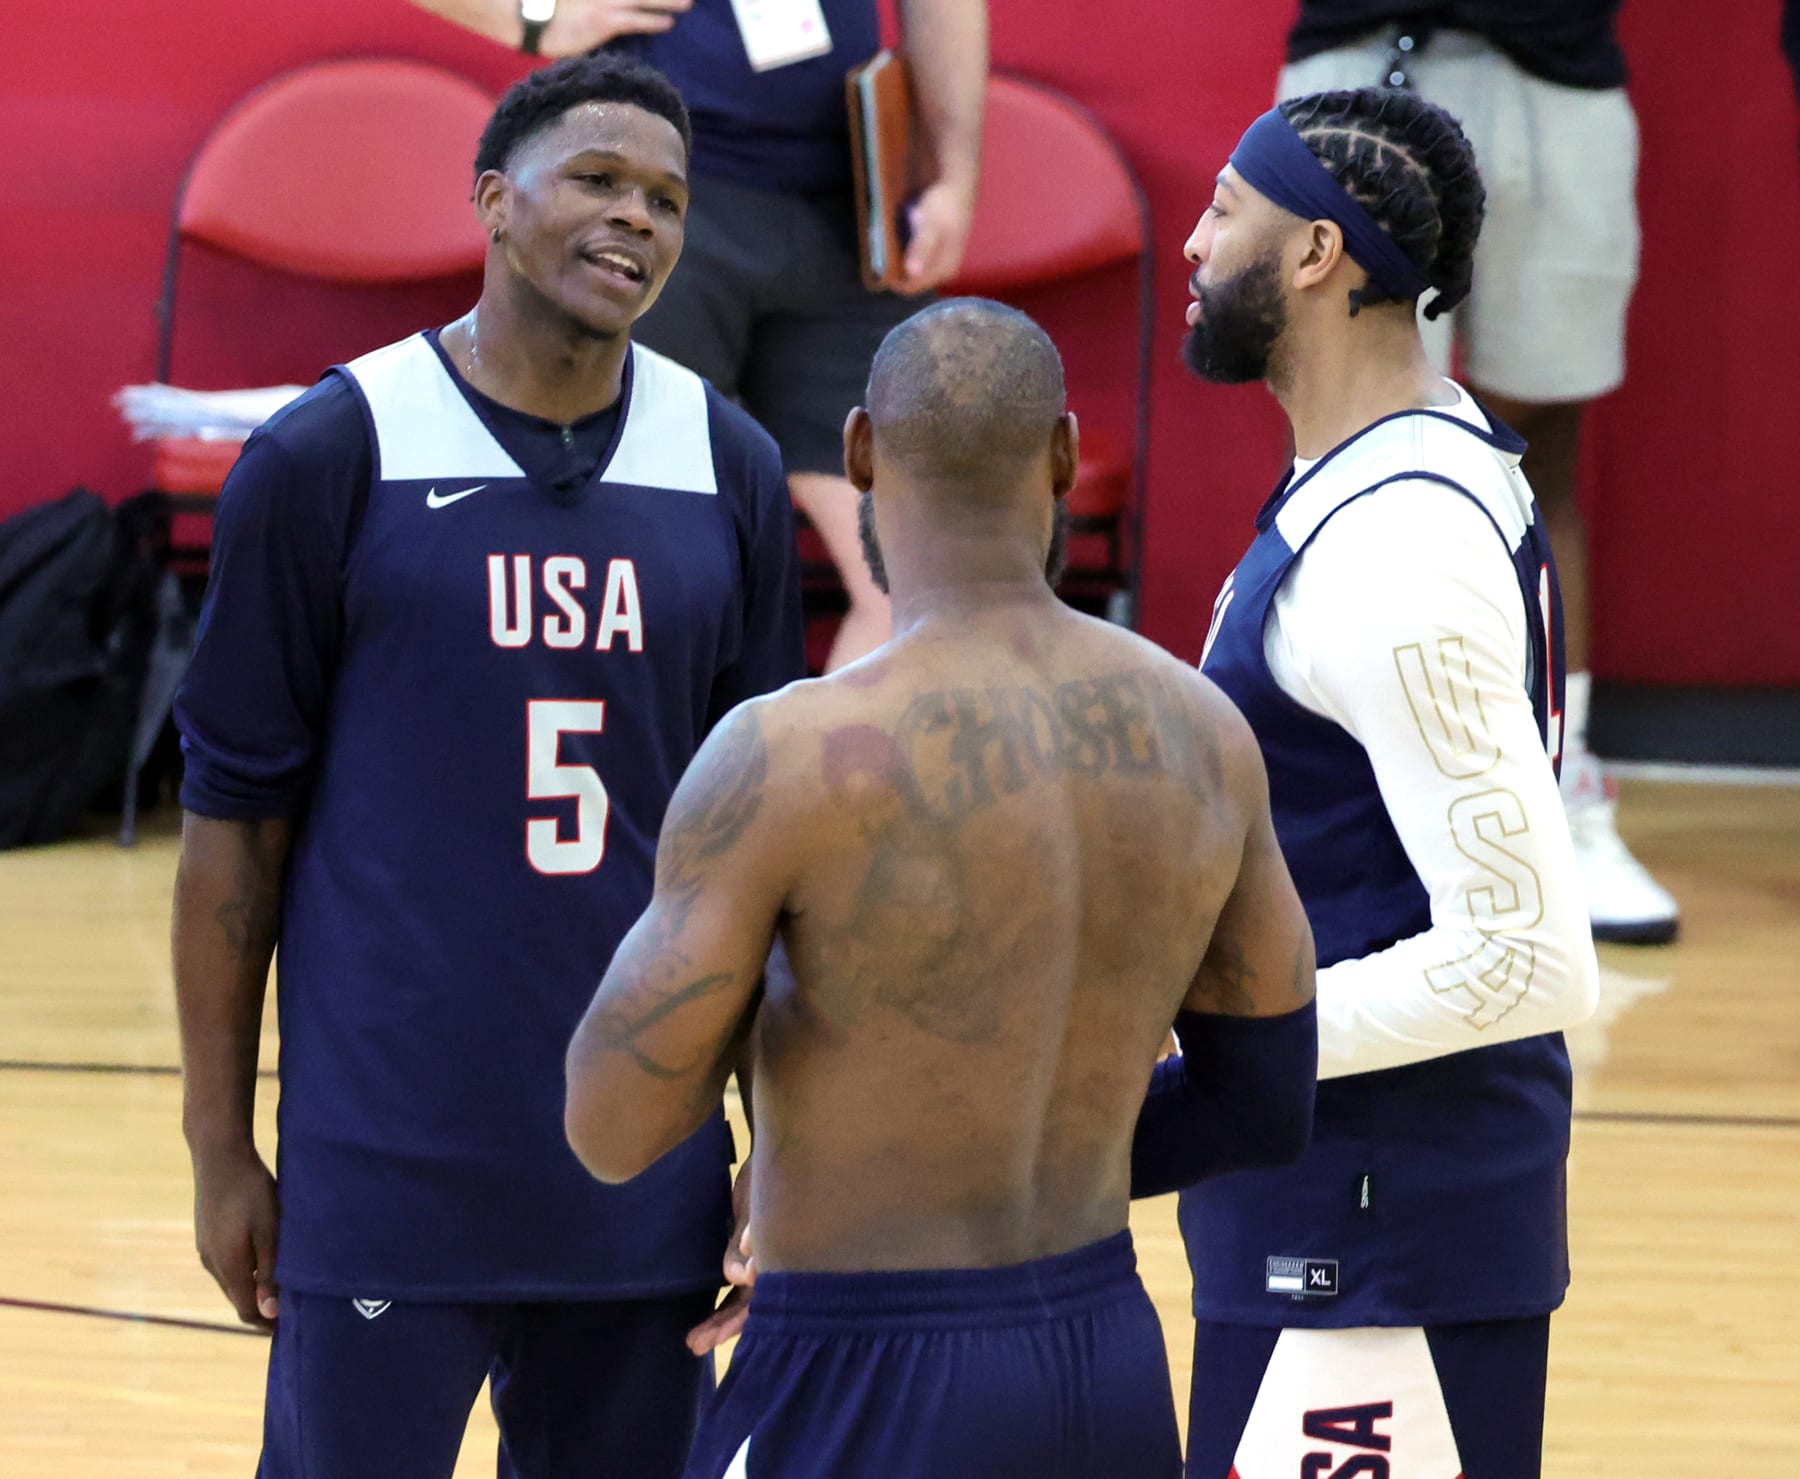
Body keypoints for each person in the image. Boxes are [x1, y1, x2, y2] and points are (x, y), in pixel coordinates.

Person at [170, 52, 804, 1479]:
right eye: (595, 179)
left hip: (644, 1176)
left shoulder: (731, 463)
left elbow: (766, 848)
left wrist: (785, 1139)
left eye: (666, 197)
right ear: (492, 203)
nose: (634, 217)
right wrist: (220, 1144)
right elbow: (233, 827)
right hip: (390, 1164)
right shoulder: (333, 450)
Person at [563, 298, 1321, 1479]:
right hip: (1105, 1358)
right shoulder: (1202, 730)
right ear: (1065, 456)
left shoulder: (787, 756)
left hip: (859, 1368)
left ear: (858, 450)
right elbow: (1265, 1106)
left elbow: (611, 1126)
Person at [1172, 90, 1600, 1477]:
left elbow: (1524, 955)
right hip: (1335, 1205)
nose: (1190, 243)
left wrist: (1207, 1044)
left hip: (1381, 1234)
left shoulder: (1394, 561)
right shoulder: (1398, 454)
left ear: (1313, 253)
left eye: (1223, 209)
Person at [407, 0, 989, 672]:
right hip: (648, 196)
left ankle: (807, 778)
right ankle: (622, 777)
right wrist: (535, 17)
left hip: (848, 204)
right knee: (628, 574)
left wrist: (956, 167)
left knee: (917, 585)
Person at [1277, 2, 1679, 944]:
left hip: (1552, 65)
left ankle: (1558, 794)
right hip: (1354, 58)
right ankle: (1337, 809)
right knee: (1339, 450)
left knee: (1538, 453)